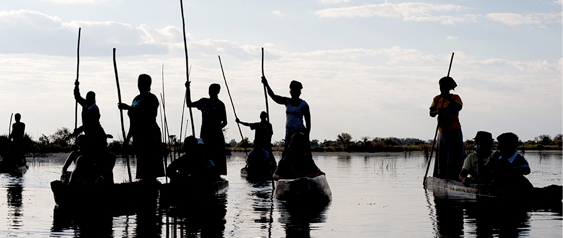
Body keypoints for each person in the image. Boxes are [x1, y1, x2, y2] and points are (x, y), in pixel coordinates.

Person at [118, 74, 164, 181]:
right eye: (139, 82)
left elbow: (149, 114)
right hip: (138, 135)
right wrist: (127, 139)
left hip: (150, 134)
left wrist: (128, 107)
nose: (140, 84)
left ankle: (152, 188)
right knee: (142, 167)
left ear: (148, 84)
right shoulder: (136, 99)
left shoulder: (152, 98)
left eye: (143, 82)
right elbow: (133, 121)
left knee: (150, 166)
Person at [185, 82, 228, 175]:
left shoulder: (220, 104)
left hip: (216, 135)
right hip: (205, 134)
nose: (210, 92)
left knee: (217, 155)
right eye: (209, 90)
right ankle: (204, 174)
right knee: (204, 154)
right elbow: (189, 104)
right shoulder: (203, 102)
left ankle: (217, 175)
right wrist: (187, 89)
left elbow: (224, 122)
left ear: (217, 91)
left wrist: (216, 129)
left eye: (212, 90)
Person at [261, 77, 311, 156]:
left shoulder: (304, 105)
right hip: (289, 132)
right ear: (290, 91)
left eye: (297, 90)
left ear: (299, 92)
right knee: (285, 154)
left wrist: (307, 137)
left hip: (299, 132)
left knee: (305, 154)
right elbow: (273, 96)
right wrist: (266, 84)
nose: (295, 92)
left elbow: (308, 123)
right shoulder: (287, 101)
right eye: (293, 90)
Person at [429, 76, 464, 180]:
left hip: (454, 130)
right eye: (441, 86)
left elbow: (458, 107)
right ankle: (441, 174)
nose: (442, 88)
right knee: (442, 154)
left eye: (444, 87)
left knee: (453, 154)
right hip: (442, 131)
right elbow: (431, 113)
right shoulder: (437, 99)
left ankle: (455, 175)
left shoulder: (455, 98)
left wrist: (447, 97)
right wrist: (437, 112)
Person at [73, 81, 107, 149]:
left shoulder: (95, 108)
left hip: (96, 132)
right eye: (87, 97)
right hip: (88, 132)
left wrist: (79, 130)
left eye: (89, 98)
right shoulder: (85, 104)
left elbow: (91, 123)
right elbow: (77, 97)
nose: (87, 99)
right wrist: (76, 86)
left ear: (93, 99)